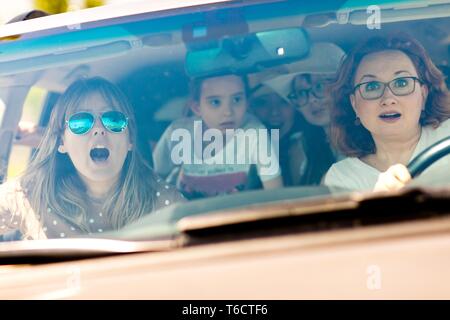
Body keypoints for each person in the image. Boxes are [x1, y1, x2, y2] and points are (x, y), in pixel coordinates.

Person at [0, 77, 184, 240]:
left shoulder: (163, 200)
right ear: (61, 141)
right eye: (80, 122)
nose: (98, 128)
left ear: (131, 140)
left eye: (113, 120)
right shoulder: (32, 195)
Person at [324, 34, 450, 191]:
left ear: (423, 95)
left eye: (401, 83)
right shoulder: (342, 177)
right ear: (354, 104)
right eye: (371, 87)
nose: (388, 98)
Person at [153, 73, 283, 199]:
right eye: (215, 102)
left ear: (247, 102)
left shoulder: (255, 132)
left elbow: (276, 194)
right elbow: (154, 181)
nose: (228, 112)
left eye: (237, 99)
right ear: (197, 108)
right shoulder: (178, 132)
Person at [263, 42, 346, 185]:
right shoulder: (301, 148)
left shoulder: (376, 135)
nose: (312, 100)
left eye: (319, 86)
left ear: (342, 87)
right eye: (301, 93)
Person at [249, 83, 303, 186]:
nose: (274, 112)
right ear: (249, 109)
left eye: (283, 101)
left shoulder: (311, 149)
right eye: (262, 102)